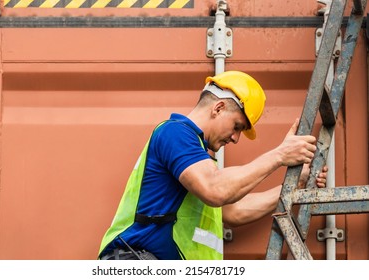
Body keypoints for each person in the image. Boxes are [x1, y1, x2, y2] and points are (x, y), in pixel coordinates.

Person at [97, 70, 327, 260]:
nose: (236, 138)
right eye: (237, 126)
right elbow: (215, 189)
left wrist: (295, 186)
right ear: (218, 108)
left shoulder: (196, 160)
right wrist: (279, 155)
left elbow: (234, 210)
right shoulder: (175, 132)